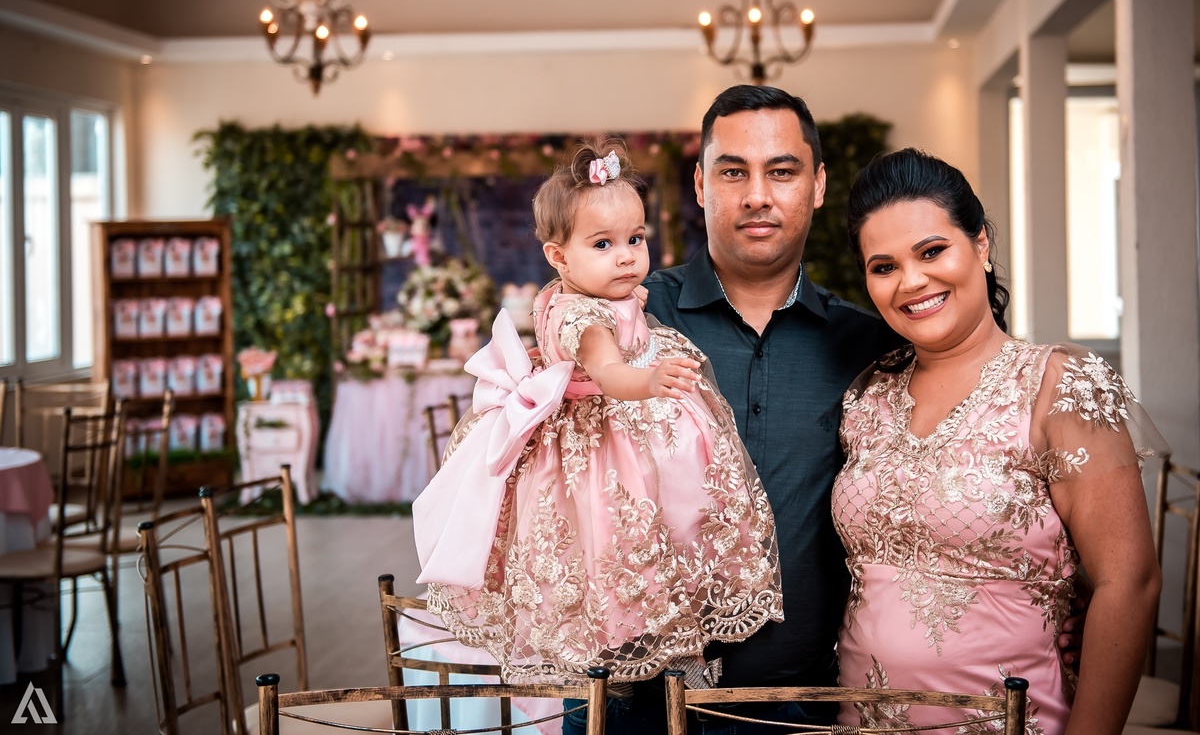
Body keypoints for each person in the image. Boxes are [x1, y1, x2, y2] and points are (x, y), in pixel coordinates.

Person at [565, 86, 1087, 735]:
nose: (758, 194)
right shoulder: (622, 324)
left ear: (816, 185)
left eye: (781, 171)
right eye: (733, 171)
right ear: (700, 183)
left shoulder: (874, 346)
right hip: (626, 699)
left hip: (803, 707)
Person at [412, 140, 783, 686]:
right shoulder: (580, 314)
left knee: (672, 526)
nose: (628, 256)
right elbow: (608, 371)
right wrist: (650, 380)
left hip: (633, 433)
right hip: (602, 446)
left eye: (635, 239)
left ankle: (670, 652)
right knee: (614, 543)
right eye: (603, 243)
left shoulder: (605, 293)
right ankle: (634, 660)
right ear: (558, 257)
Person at [834, 147, 1163, 734]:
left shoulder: (1058, 387)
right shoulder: (868, 395)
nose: (911, 281)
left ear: (981, 245)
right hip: (860, 721)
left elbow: (1128, 582)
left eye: (932, 251)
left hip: (1010, 722)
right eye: (883, 267)